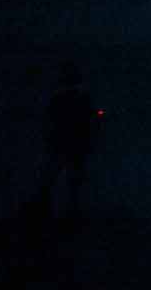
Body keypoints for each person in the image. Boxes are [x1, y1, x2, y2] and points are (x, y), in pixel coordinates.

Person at [39, 62, 94, 221]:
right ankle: (65, 212)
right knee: (69, 180)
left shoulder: (62, 98)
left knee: (66, 180)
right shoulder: (79, 98)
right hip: (69, 144)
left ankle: (64, 212)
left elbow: (50, 121)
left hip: (66, 144)